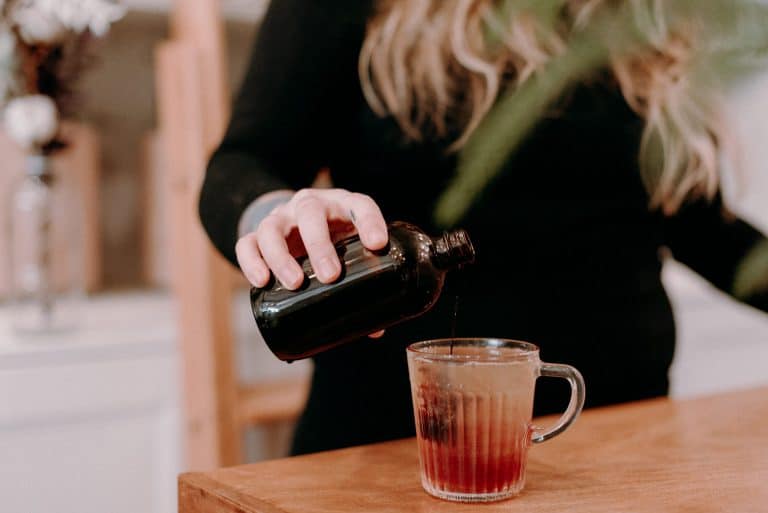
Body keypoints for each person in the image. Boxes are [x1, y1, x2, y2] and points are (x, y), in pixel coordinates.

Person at [199, 0, 768, 456]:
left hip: (621, 446)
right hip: (396, 452)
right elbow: (242, 164)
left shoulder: (639, 22)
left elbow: (701, 228)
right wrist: (276, 216)